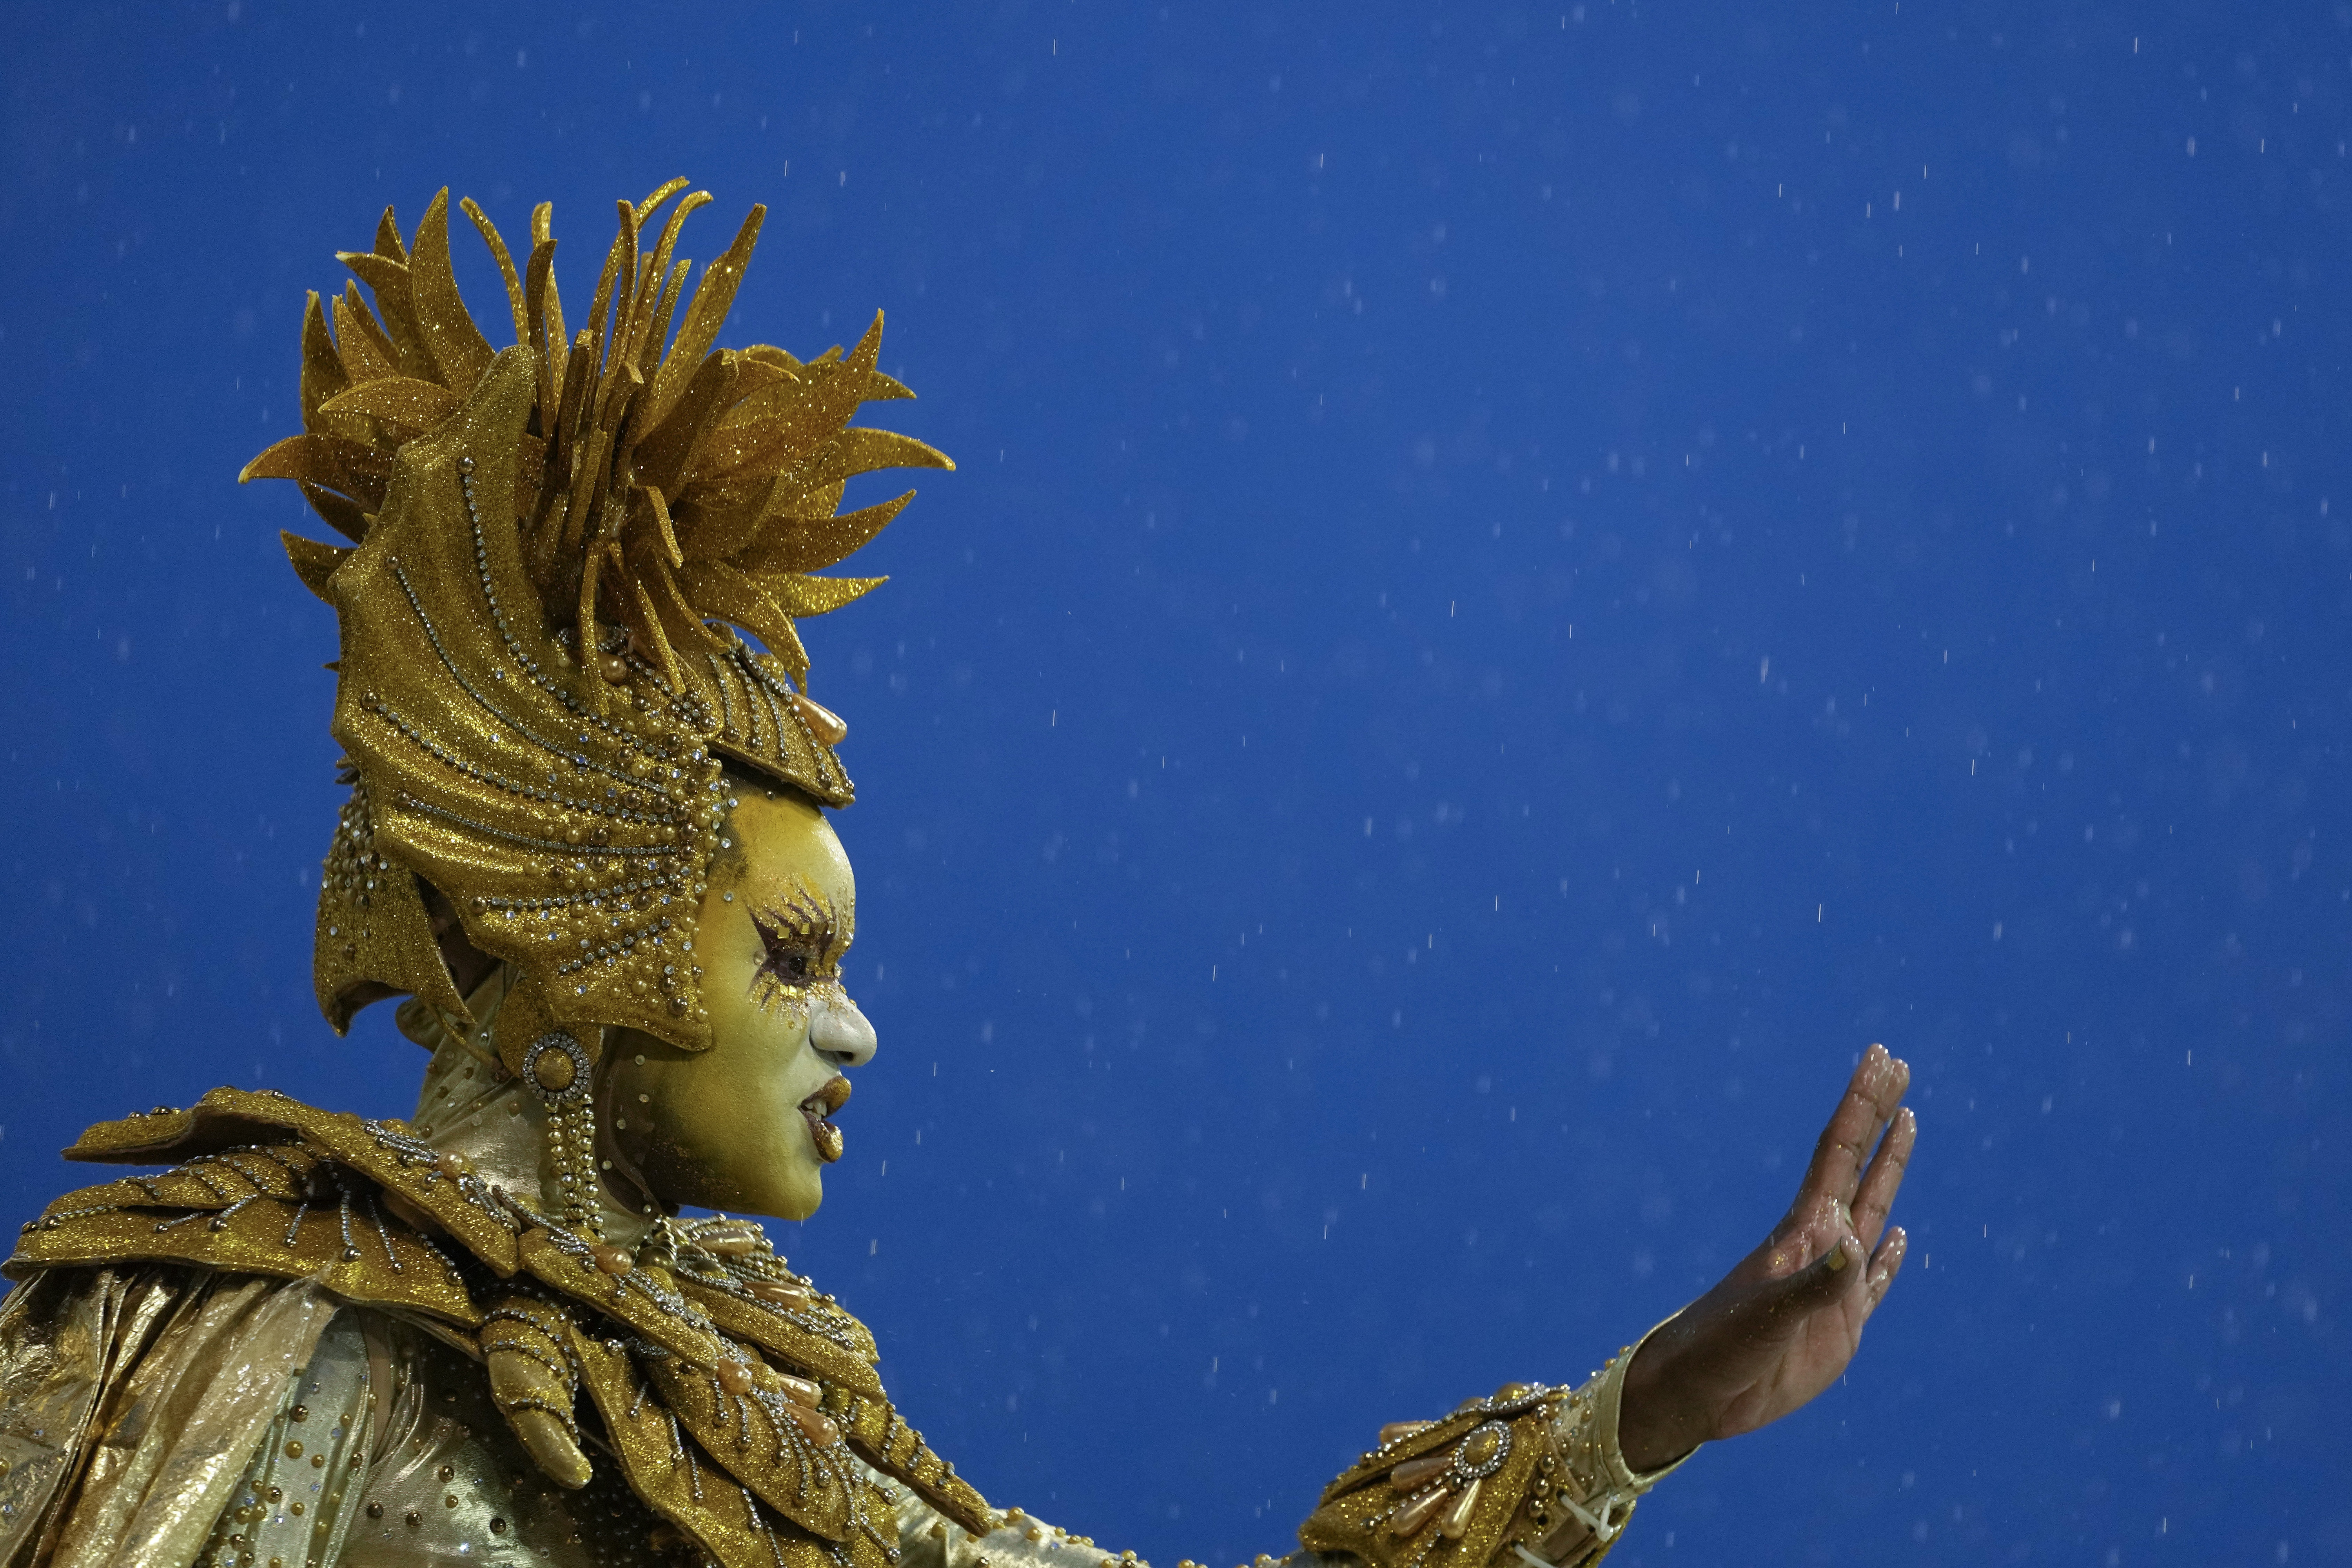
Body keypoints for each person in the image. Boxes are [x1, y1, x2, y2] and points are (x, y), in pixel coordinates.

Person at [0, 183, 1915, 1568]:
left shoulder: (788, 1417)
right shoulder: (261, 1328)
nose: (856, 1026)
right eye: (791, 956)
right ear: (582, 935)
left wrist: (1647, 1412)